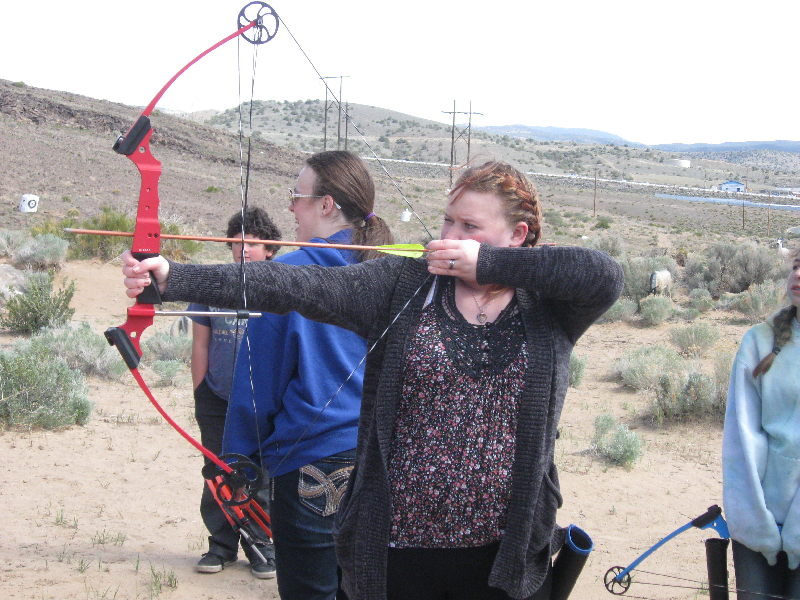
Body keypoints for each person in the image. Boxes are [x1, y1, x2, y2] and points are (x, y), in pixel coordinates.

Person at [122, 160, 624, 600]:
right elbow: (295, 283)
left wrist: (488, 264)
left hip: (506, 555)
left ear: (518, 236)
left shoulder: (551, 307)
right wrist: (172, 279)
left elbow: (604, 274)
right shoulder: (405, 284)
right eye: (448, 220)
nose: (450, 236)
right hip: (396, 553)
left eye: (470, 226)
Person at [215, 151, 393, 599]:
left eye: (297, 196)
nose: (291, 208)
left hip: (311, 467)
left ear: (327, 205)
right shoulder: (394, 270)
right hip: (383, 465)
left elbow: (256, 387)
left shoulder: (285, 276)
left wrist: (237, 460)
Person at [191, 206, 281, 578]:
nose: (243, 250)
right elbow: (200, 344)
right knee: (217, 472)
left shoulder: (281, 287)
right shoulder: (214, 285)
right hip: (216, 396)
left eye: (253, 244)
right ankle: (222, 546)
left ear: (271, 250)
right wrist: (200, 392)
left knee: (257, 474)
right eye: (236, 243)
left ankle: (263, 547)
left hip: (261, 400)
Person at [722, 245, 800, 600]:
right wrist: (753, 522)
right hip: (761, 522)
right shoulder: (759, 341)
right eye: (796, 266)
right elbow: (741, 439)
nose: (797, 275)